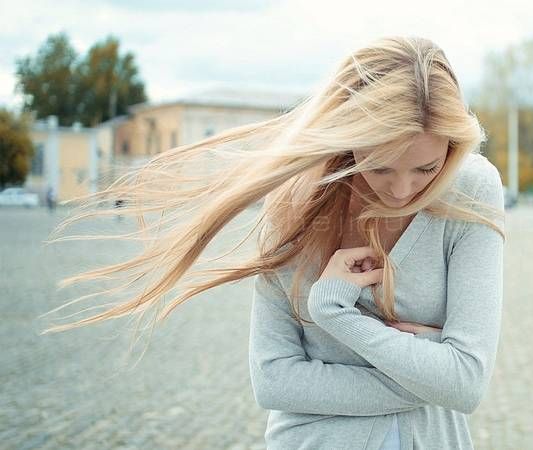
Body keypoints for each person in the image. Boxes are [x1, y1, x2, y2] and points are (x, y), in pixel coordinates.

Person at [40, 36, 506, 450]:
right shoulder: (296, 203)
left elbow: (465, 384)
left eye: (427, 169)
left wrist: (337, 316)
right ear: (350, 140)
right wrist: (428, 372)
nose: (403, 190)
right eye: (380, 166)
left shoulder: (472, 189)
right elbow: (274, 380)